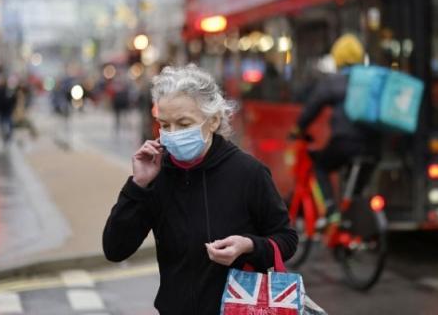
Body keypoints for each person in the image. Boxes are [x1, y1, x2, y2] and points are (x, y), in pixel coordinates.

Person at [103, 64, 297, 315]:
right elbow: (115, 249)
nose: (172, 134)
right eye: (165, 124)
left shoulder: (248, 172)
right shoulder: (158, 175)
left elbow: (286, 239)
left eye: (184, 124)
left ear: (213, 120)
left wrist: (248, 245)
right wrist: (138, 186)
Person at [292, 34, 381, 220]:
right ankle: (354, 217)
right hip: (374, 146)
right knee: (356, 188)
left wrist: (298, 129)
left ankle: (331, 211)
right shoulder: (373, 79)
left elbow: (312, 107)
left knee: (320, 167)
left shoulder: (334, 82)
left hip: (345, 143)